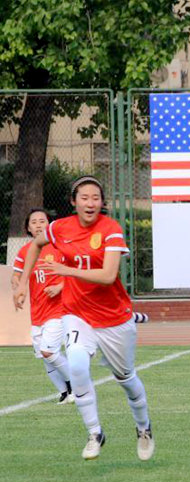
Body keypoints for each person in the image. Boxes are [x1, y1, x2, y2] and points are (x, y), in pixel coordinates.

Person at [13, 176, 154, 461]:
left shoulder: (110, 229)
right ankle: (95, 433)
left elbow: (108, 275)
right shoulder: (59, 227)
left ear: (102, 203)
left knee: (126, 378)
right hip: (77, 313)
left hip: (113, 318)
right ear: (73, 201)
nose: (90, 203)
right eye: (84, 197)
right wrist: (22, 283)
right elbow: (35, 246)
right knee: (76, 364)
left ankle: (144, 428)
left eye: (95, 198)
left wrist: (66, 271)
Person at [11, 208, 73, 404]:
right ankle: (64, 392)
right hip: (37, 313)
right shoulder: (25, 251)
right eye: (34, 222)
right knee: (44, 356)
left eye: (42, 221)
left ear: (49, 225)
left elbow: (76, 274)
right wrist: (17, 284)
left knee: (49, 352)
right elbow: (16, 275)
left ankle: (75, 385)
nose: (38, 225)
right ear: (28, 228)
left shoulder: (60, 246)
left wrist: (60, 286)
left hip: (58, 310)